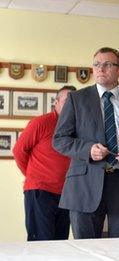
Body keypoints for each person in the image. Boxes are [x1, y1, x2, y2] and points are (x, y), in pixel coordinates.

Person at [53, 47, 119, 239]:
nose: (101, 68)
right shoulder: (77, 99)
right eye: (97, 64)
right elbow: (60, 140)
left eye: (108, 64)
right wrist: (88, 149)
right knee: (86, 250)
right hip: (85, 182)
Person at [13, 85, 76, 241]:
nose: (71, 106)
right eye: (67, 101)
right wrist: (32, 175)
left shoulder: (77, 127)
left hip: (66, 193)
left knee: (60, 242)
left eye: (74, 102)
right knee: (41, 243)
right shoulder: (40, 123)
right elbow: (18, 151)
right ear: (56, 102)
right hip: (40, 191)